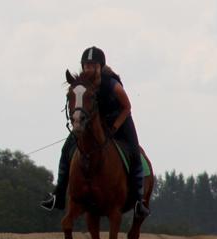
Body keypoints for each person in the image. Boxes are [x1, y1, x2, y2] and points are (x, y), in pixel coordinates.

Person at [40, 46, 149, 218]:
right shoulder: (83, 85)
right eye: (86, 65)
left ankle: (138, 201)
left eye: (92, 65)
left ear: (100, 66)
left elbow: (127, 107)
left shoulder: (112, 84)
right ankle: (58, 196)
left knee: (135, 153)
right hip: (95, 122)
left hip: (119, 120)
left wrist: (114, 127)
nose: (88, 68)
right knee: (65, 150)